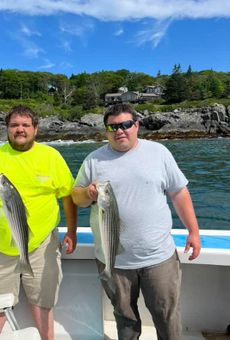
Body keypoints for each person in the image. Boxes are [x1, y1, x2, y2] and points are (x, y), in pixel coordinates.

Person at [72, 103, 201, 340]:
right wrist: (87, 194)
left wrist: (193, 231)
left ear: (136, 126)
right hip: (113, 260)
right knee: (125, 319)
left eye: (126, 124)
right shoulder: (93, 160)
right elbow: (76, 196)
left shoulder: (159, 152)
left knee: (167, 317)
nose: (120, 130)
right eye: (113, 127)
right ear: (105, 131)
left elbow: (179, 193)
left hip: (158, 257)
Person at [0, 105, 77, 340]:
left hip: (42, 246)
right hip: (0, 248)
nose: (20, 129)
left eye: (26, 125)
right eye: (14, 125)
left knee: (42, 306)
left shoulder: (51, 156)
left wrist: (72, 232)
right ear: (7, 129)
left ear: (36, 129)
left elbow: (68, 195)